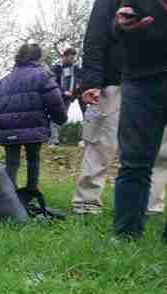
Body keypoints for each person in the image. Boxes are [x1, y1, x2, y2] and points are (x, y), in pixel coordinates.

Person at [74, 0, 167, 216]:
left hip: (159, 78)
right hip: (117, 78)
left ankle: (148, 205)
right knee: (101, 142)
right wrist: (91, 81)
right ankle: (86, 203)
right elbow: (96, 34)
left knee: (161, 150)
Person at [0, 43, 68, 191]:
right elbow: (54, 101)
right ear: (38, 57)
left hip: (8, 128)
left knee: (11, 162)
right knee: (33, 159)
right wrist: (61, 119)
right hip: (34, 125)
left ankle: (10, 195)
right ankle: (32, 190)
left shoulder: (5, 80)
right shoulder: (43, 75)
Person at [50, 47, 85, 145]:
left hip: (75, 95)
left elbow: (82, 80)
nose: (72, 60)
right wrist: (63, 92)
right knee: (58, 117)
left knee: (85, 115)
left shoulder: (77, 69)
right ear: (64, 57)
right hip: (60, 96)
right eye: (70, 57)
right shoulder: (56, 69)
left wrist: (77, 91)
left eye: (73, 58)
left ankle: (85, 139)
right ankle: (53, 141)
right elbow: (53, 83)